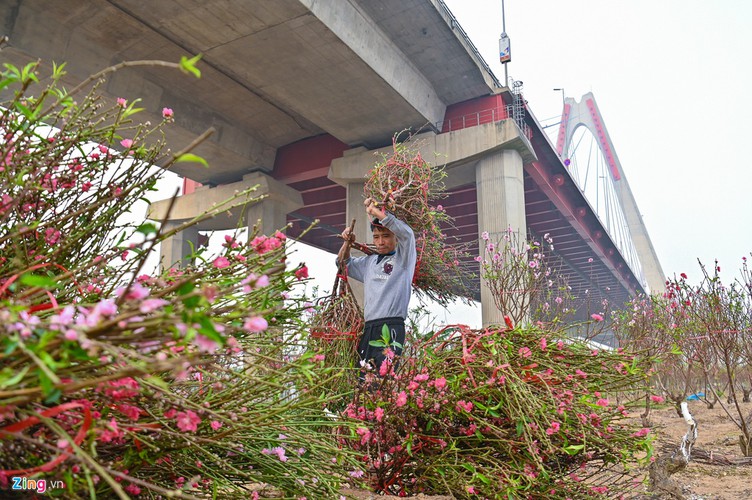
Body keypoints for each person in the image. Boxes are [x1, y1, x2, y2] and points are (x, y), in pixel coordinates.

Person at [337, 197, 416, 376]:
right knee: (363, 380)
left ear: (395, 238)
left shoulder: (403, 260)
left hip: (391, 327)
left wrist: (377, 213)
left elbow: (408, 235)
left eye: (386, 236)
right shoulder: (369, 263)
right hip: (369, 328)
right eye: (376, 237)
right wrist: (347, 243)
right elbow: (342, 264)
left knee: (383, 379)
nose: (380, 242)